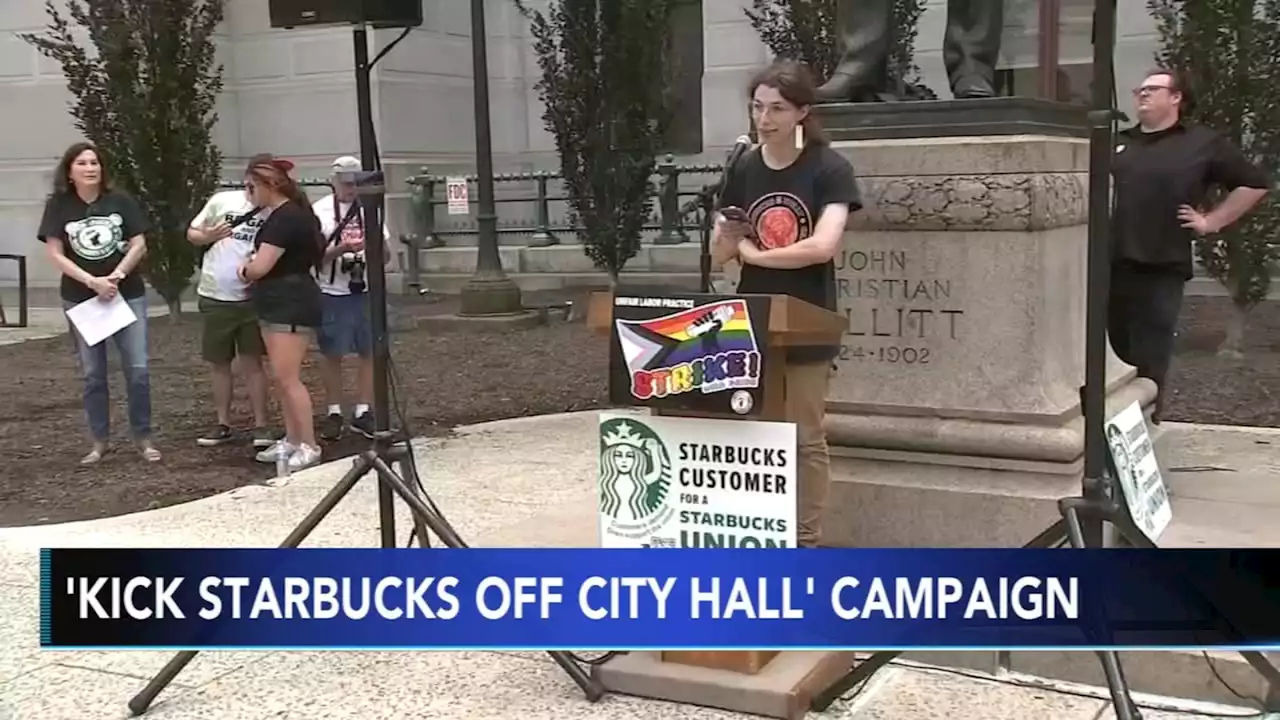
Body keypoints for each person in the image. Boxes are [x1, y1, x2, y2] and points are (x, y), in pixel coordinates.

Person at [710, 61, 862, 548]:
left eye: (777, 108)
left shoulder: (828, 168)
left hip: (808, 320)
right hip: (750, 321)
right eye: (758, 107)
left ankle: (805, 540)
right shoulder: (744, 168)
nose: (764, 118)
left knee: (804, 437)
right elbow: (719, 254)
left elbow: (822, 247)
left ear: (802, 113)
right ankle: (761, 534)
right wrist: (730, 238)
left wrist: (754, 252)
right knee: (753, 430)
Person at [1109, 69, 1270, 422]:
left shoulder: (1201, 143)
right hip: (1109, 266)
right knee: (1111, 361)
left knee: (1150, 358)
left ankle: (1146, 432)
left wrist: (1211, 221)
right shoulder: (1118, 142)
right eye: (1140, 90)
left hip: (1161, 266)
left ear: (1176, 97)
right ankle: (1112, 439)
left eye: (1152, 89)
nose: (1142, 95)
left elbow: (1253, 184)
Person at [37, 141, 161, 464]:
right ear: (70, 170)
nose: (90, 168)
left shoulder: (120, 201)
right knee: (93, 373)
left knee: (138, 369)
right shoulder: (59, 206)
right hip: (81, 299)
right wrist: (92, 281)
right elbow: (54, 252)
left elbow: (139, 243)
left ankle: (143, 437)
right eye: (82, 163)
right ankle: (99, 441)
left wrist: (116, 277)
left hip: (125, 294)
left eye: (94, 162)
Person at [237, 155, 324, 473]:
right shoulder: (287, 214)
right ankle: (291, 438)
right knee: (281, 376)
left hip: (289, 300)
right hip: (278, 298)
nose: (248, 194)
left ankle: (309, 444)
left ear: (268, 184)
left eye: (250, 186)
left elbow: (260, 266)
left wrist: (244, 269)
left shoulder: (286, 218)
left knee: (289, 378)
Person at [187, 154, 277, 450]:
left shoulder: (272, 210)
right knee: (219, 363)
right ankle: (222, 423)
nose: (257, 187)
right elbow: (193, 234)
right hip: (215, 295)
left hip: (251, 298)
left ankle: (261, 425)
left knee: (252, 363)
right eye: (254, 180)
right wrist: (208, 235)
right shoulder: (222, 201)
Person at [312, 156, 390, 441]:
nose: (350, 189)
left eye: (354, 184)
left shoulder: (370, 209)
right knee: (332, 352)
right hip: (332, 291)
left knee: (369, 350)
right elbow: (313, 257)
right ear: (333, 181)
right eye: (345, 183)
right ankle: (333, 410)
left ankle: (363, 409)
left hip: (365, 289)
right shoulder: (319, 211)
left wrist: (375, 243)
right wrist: (340, 248)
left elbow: (387, 257)